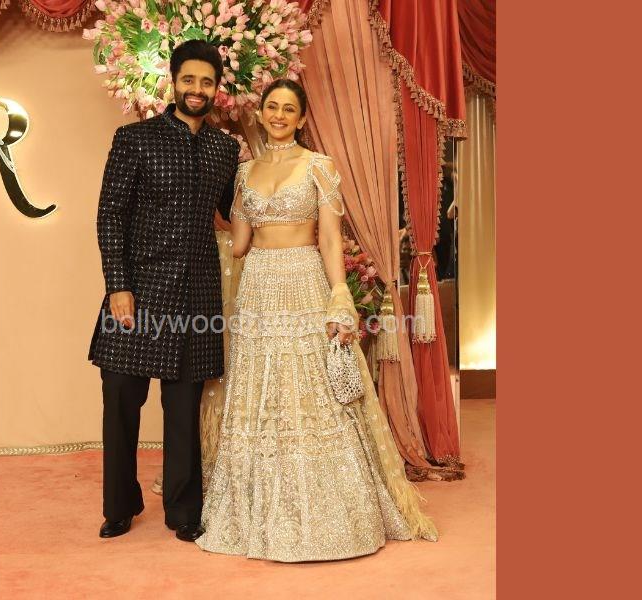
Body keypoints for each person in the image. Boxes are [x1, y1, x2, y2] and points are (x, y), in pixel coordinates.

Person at [196, 79, 439, 562]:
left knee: (313, 389)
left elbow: (329, 238)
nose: (279, 115)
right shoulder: (243, 172)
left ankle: (330, 517)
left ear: (302, 117)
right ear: (260, 114)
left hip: (304, 281)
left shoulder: (319, 166)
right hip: (258, 289)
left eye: (289, 108)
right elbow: (239, 244)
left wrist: (340, 295)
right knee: (260, 390)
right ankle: (257, 514)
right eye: (272, 106)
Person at [87, 40, 239, 542]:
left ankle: (183, 509)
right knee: (120, 402)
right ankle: (119, 505)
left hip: (196, 295)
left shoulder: (224, 149)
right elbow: (110, 215)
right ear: (172, 82)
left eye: (207, 82)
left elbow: (231, 214)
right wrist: (118, 286)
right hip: (138, 291)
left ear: (217, 89)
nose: (197, 89)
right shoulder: (135, 139)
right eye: (189, 79)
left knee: (183, 412)